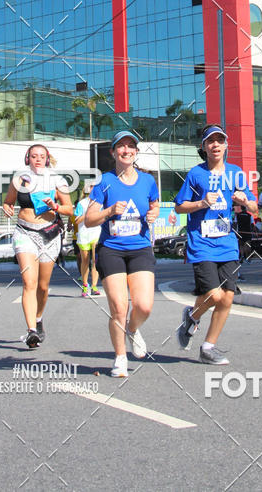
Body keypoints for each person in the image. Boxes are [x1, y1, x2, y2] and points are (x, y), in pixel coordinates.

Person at [174, 124, 257, 365]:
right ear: (204, 147)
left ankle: (208, 346)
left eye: (220, 140)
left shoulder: (236, 173)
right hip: (201, 243)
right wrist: (201, 203)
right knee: (215, 294)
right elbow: (180, 206)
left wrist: (244, 201)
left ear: (226, 145)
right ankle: (192, 316)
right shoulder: (195, 174)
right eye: (211, 141)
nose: (216, 145)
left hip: (227, 243)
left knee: (227, 298)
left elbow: (253, 207)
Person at [85, 130, 160, 377]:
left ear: (136, 152)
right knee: (118, 306)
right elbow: (89, 219)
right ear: (113, 152)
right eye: (121, 146)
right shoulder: (104, 181)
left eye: (131, 146)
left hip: (140, 248)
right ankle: (120, 358)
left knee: (144, 306)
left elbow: (154, 204)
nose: (126, 150)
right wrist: (108, 211)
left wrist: (153, 213)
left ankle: (133, 329)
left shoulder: (148, 180)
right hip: (111, 250)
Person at [2, 144, 73, 348]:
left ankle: (39, 317)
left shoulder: (57, 180)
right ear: (28, 159)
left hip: (49, 235)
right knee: (29, 282)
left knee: (43, 286)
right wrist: (7, 208)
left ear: (47, 159)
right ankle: (31, 330)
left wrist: (56, 206)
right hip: (24, 233)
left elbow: (70, 209)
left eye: (42, 156)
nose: (38, 159)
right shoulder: (19, 179)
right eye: (34, 156)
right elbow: (9, 202)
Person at [75, 183, 101, 296]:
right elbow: (76, 221)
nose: (93, 189)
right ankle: (85, 285)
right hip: (84, 234)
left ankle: (94, 286)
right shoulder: (82, 203)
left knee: (95, 260)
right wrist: (87, 216)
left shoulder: (100, 202)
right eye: (91, 187)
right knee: (85, 260)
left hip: (96, 233)